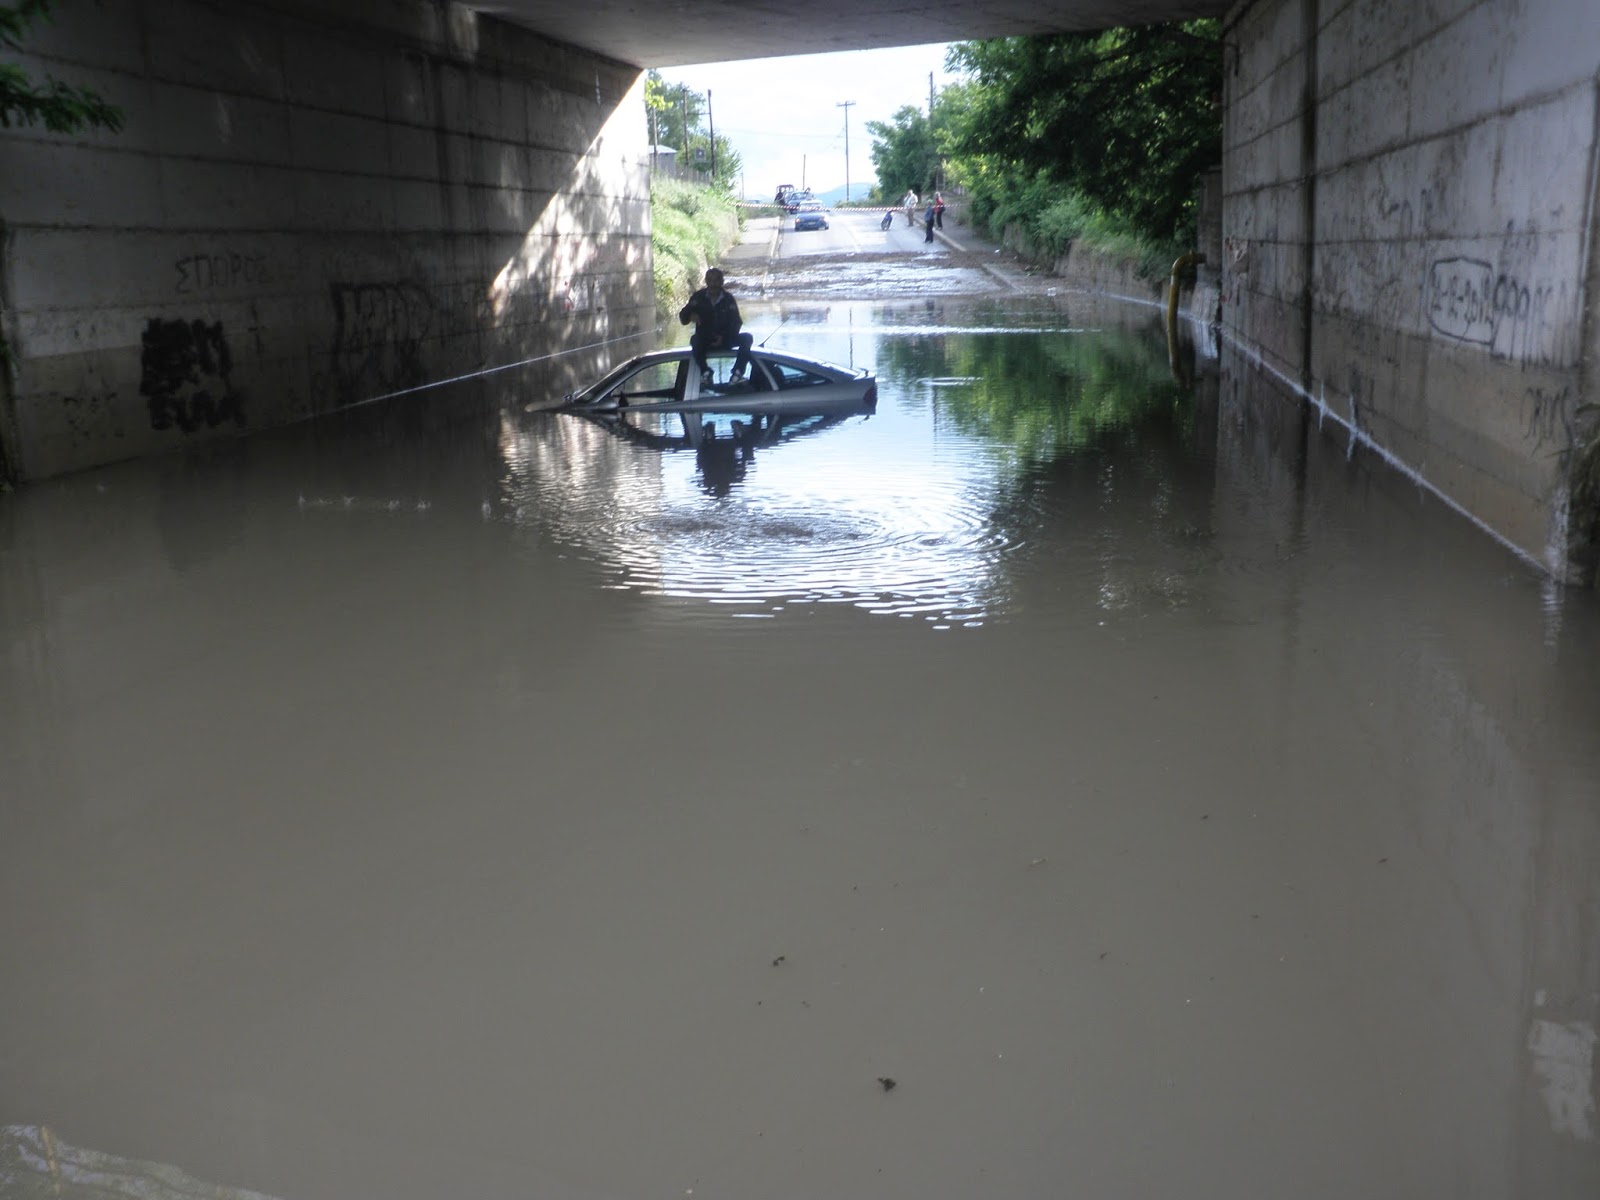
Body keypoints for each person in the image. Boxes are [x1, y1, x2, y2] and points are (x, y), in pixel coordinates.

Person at [678, 267, 752, 387]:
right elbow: (682, 318)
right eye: (710, 280)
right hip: (705, 340)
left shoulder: (728, 299)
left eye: (716, 280)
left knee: (747, 338)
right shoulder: (698, 298)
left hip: (726, 339)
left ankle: (737, 373)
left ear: (722, 282)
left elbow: (736, 322)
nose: (713, 284)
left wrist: (723, 337)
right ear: (706, 281)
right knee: (694, 340)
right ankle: (705, 372)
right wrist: (690, 315)